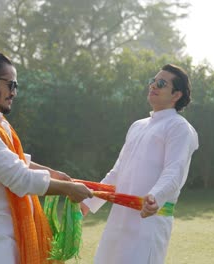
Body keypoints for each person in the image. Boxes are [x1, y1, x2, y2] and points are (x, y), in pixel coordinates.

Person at [0, 39, 93, 264]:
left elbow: (16, 161)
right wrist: (68, 189)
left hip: (7, 234)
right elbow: (19, 178)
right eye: (10, 85)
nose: (14, 92)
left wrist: (55, 174)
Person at [82, 64, 199, 264]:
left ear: (176, 94)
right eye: (152, 81)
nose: (153, 86)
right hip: (118, 221)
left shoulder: (179, 127)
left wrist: (155, 197)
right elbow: (117, 173)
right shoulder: (137, 126)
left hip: (148, 223)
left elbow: (174, 170)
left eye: (161, 83)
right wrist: (89, 202)